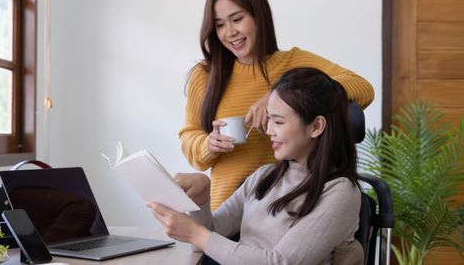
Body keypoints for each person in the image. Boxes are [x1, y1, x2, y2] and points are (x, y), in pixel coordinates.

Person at [179, 0, 374, 210]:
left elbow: (362, 87)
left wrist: (276, 96)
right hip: (226, 213)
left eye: (237, 19)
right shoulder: (205, 75)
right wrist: (208, 144)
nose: (229, 32)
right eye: (219, 25)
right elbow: (189, 136)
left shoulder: (294, 63)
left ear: (258, 16)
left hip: (285, 212)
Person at [149, 67, 363, 264]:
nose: (269, 130)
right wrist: (202, 198)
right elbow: (203, 242)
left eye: (278, 122)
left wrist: (196, 233)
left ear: (316, 126)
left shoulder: (340, 191)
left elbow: (280, 262)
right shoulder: (264, 177)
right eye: (269, 119)